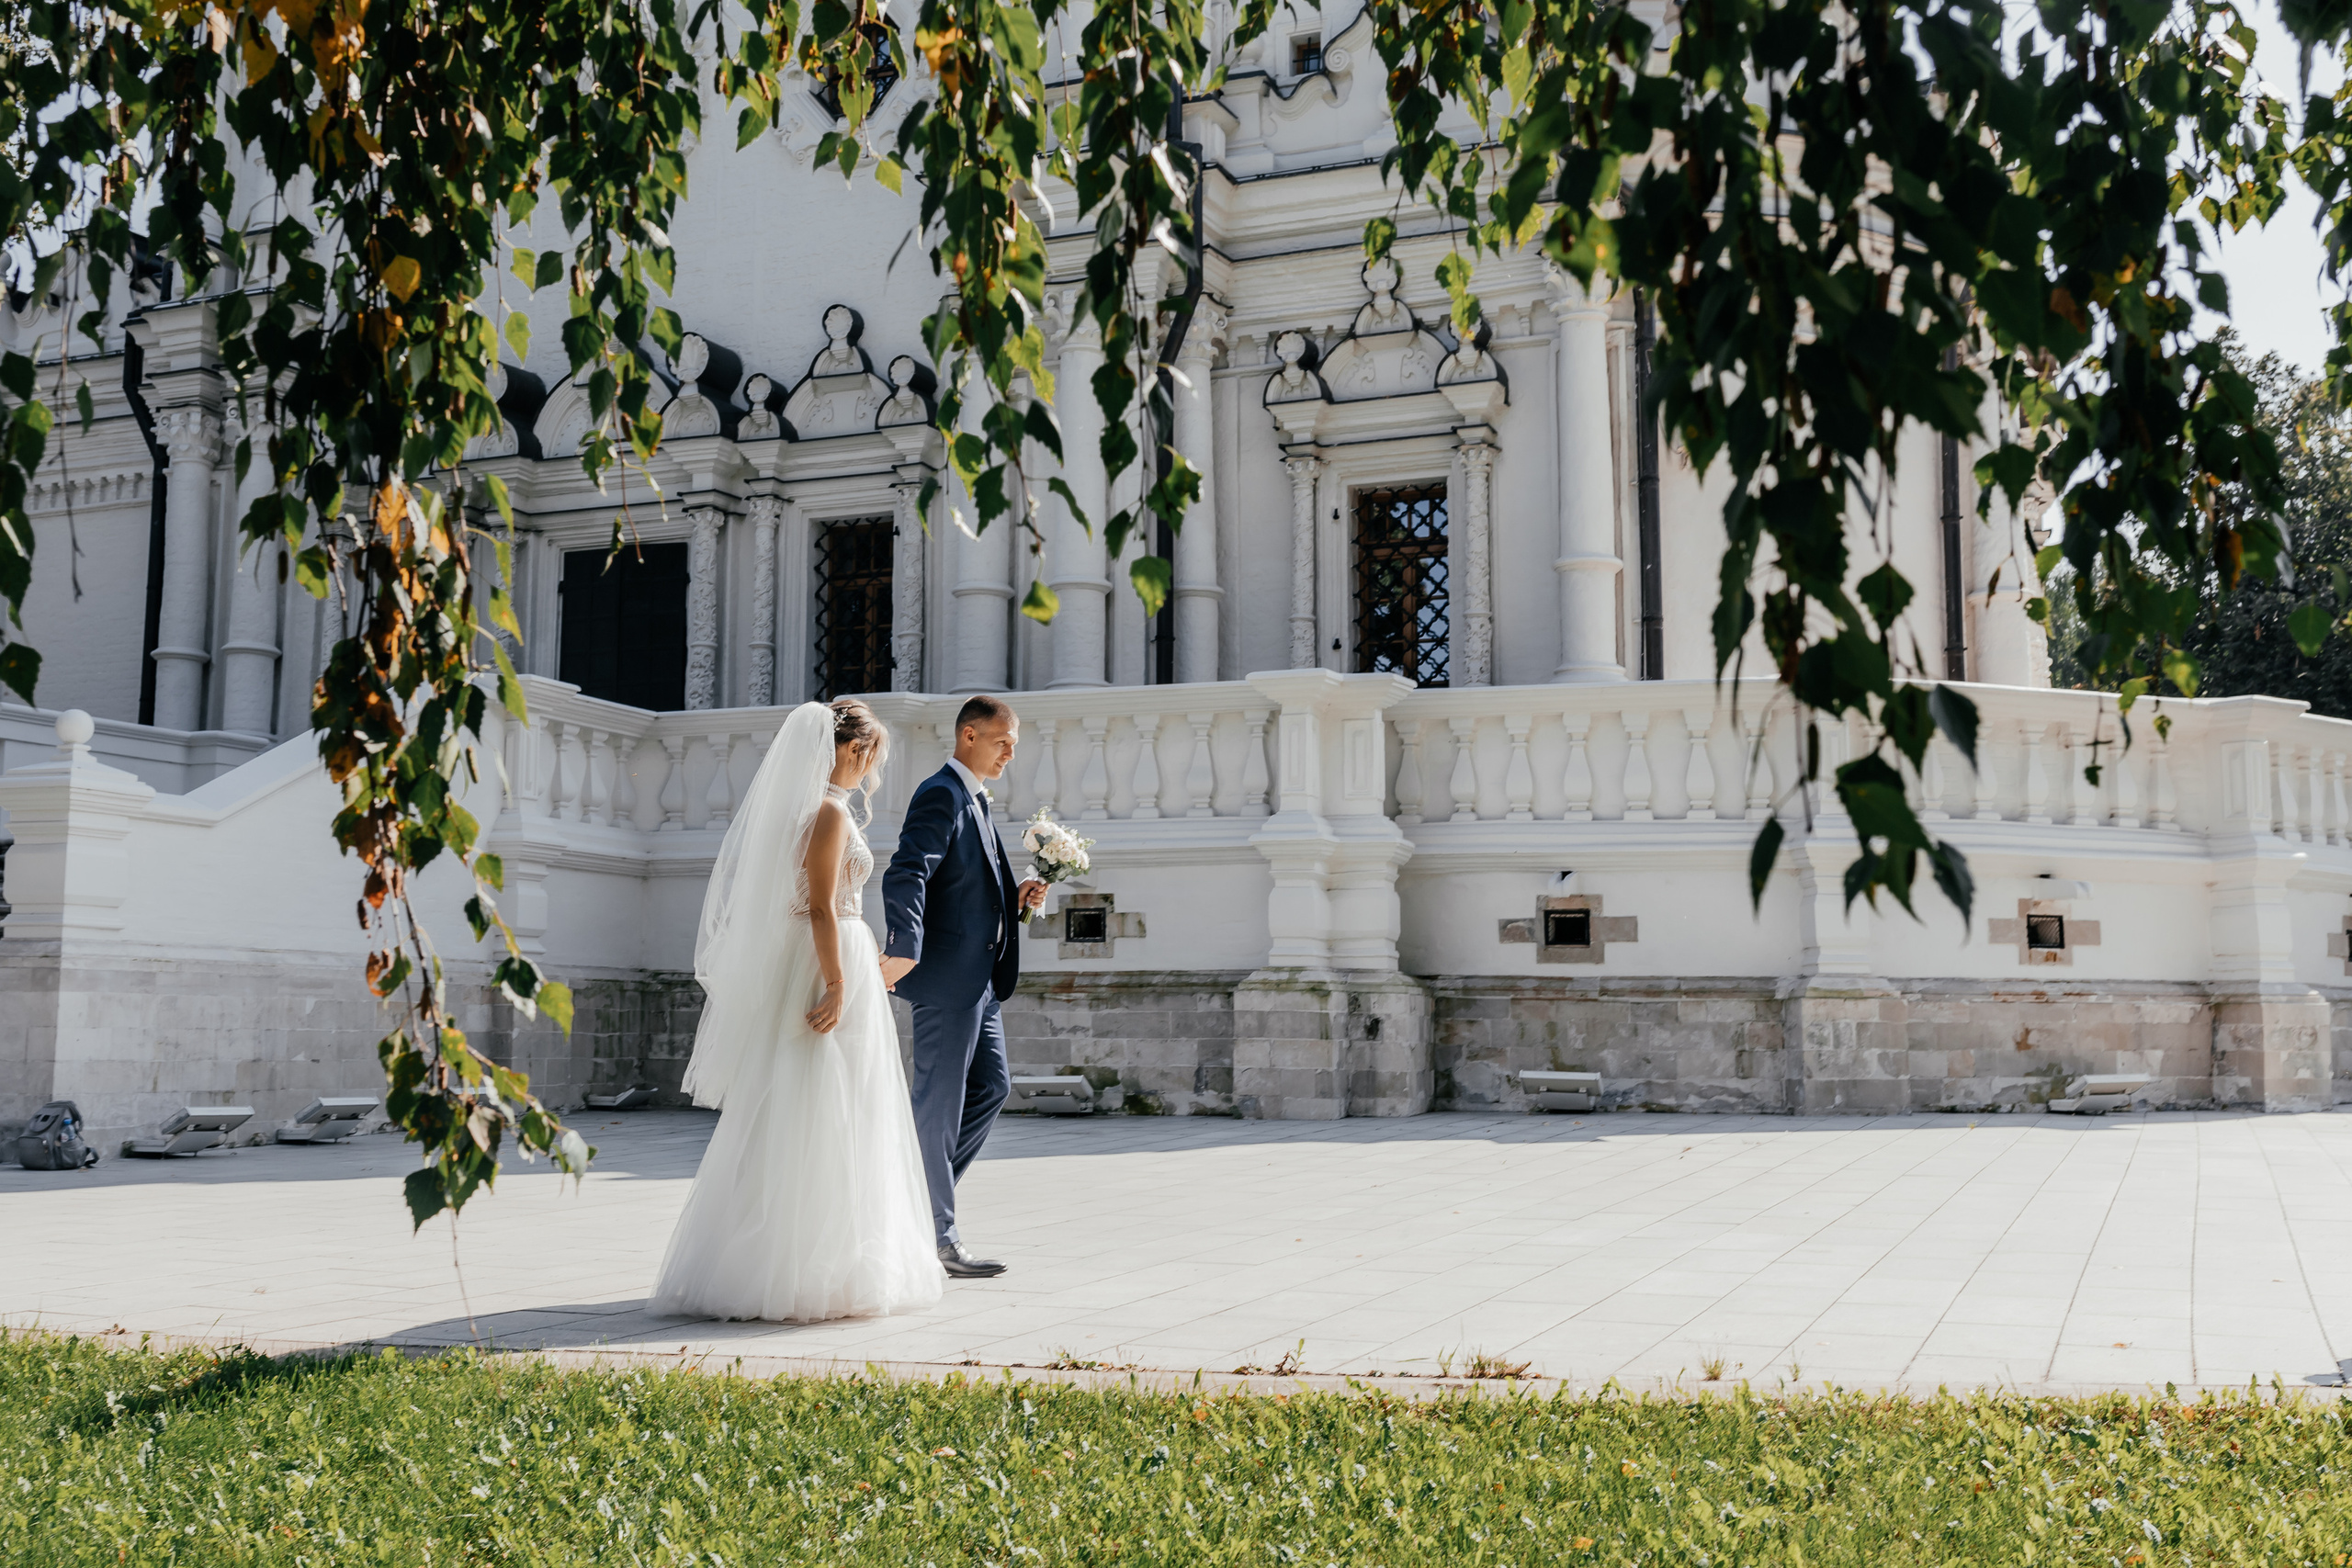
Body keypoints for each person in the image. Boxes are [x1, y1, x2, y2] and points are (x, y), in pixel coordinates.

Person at [651, 699, 943, 1323]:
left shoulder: (801, 810)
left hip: (816, 956)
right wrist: (838, 981)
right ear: (854, 750)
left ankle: (788, 1257)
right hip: (826, 958)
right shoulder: (829, 812)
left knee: (808, 1102)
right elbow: (818, 905)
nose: (875, 769)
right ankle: (810, 1267)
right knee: (827, 1103)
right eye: (875, 756)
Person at [881, 694, 1046, 1279]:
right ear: (969, 737)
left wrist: (1017, 900)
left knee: (993, 1088)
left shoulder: (976, 798)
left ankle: (912, 1202)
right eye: (1002, 742)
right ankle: (938, 1236)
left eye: (1014, 746)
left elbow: (967, 886)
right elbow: (908, 871)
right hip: (947, 979)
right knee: (938, 1106)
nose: (1009, 754)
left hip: (980, 979)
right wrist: (903, 946)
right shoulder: (941, 792)